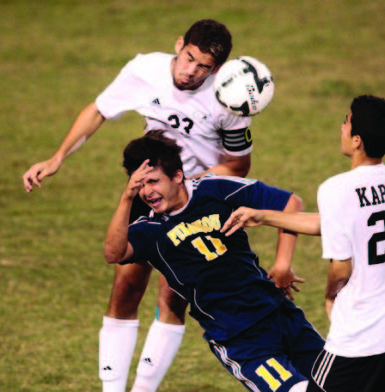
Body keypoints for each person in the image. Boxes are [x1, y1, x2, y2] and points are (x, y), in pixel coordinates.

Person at [22, 19, 256, 392]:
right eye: (188, 58)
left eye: (203, 68)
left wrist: (188, 185)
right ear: (179, 44)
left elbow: (239, 165)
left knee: (172, 299)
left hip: (197, 205)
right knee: (126, 288)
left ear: (217, 70)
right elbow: (99, 109)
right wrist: (57, 157)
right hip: (147, 194)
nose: (190, 71)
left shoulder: (230, 100)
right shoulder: (144, 70)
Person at [222, 95, 385, 392]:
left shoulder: (337, 189)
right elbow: (332, 222)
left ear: (357, 141)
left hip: (360, 334)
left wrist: (331, 299)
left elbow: (341, 267)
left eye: (345, 122)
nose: (341, 128)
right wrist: (264, 216)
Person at [104, 131, 325, 392]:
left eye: (153, 181)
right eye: (140, 185)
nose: (147, 192)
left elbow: (290, 203)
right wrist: (126, 199)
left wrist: (282, 264)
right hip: (239, 339)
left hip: (281, 315)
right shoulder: (150, 229)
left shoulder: (215, 190)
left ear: (177, 175)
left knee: (342, 382)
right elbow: (113, 254)